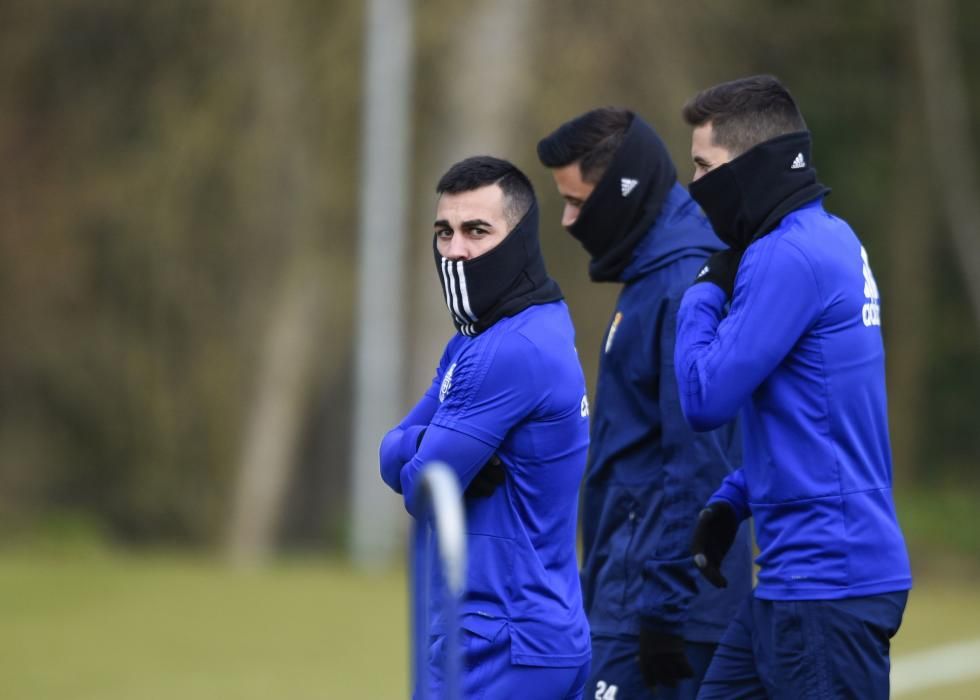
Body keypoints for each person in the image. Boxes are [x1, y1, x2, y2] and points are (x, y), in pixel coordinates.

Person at [673, 75, 912, 699]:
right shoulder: (830, 237)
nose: (694, 185)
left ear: (750, 167)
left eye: (704, 165)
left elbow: (703, 398)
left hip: (825, 587)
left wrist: (703, 286)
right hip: (798, 581)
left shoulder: (785, 255)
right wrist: (733, 498)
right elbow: (820, 417)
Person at [537, 108, 752, 699]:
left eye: (578, 202)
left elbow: (701, 459)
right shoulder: (652, 278)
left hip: (659, 614)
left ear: (622, 192)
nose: (567, 220)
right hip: (632, 599)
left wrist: (664, 608)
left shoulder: (683, 285)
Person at [379, 156, 592, 699]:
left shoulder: (508, 349)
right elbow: (391, 452)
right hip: (529, 632)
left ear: (519, 237)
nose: (455, 250)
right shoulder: (492, 336)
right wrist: (429, 445)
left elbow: (421, 484)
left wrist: (423, 450)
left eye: (477, 231)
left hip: (499, 639)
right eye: (444, 232)